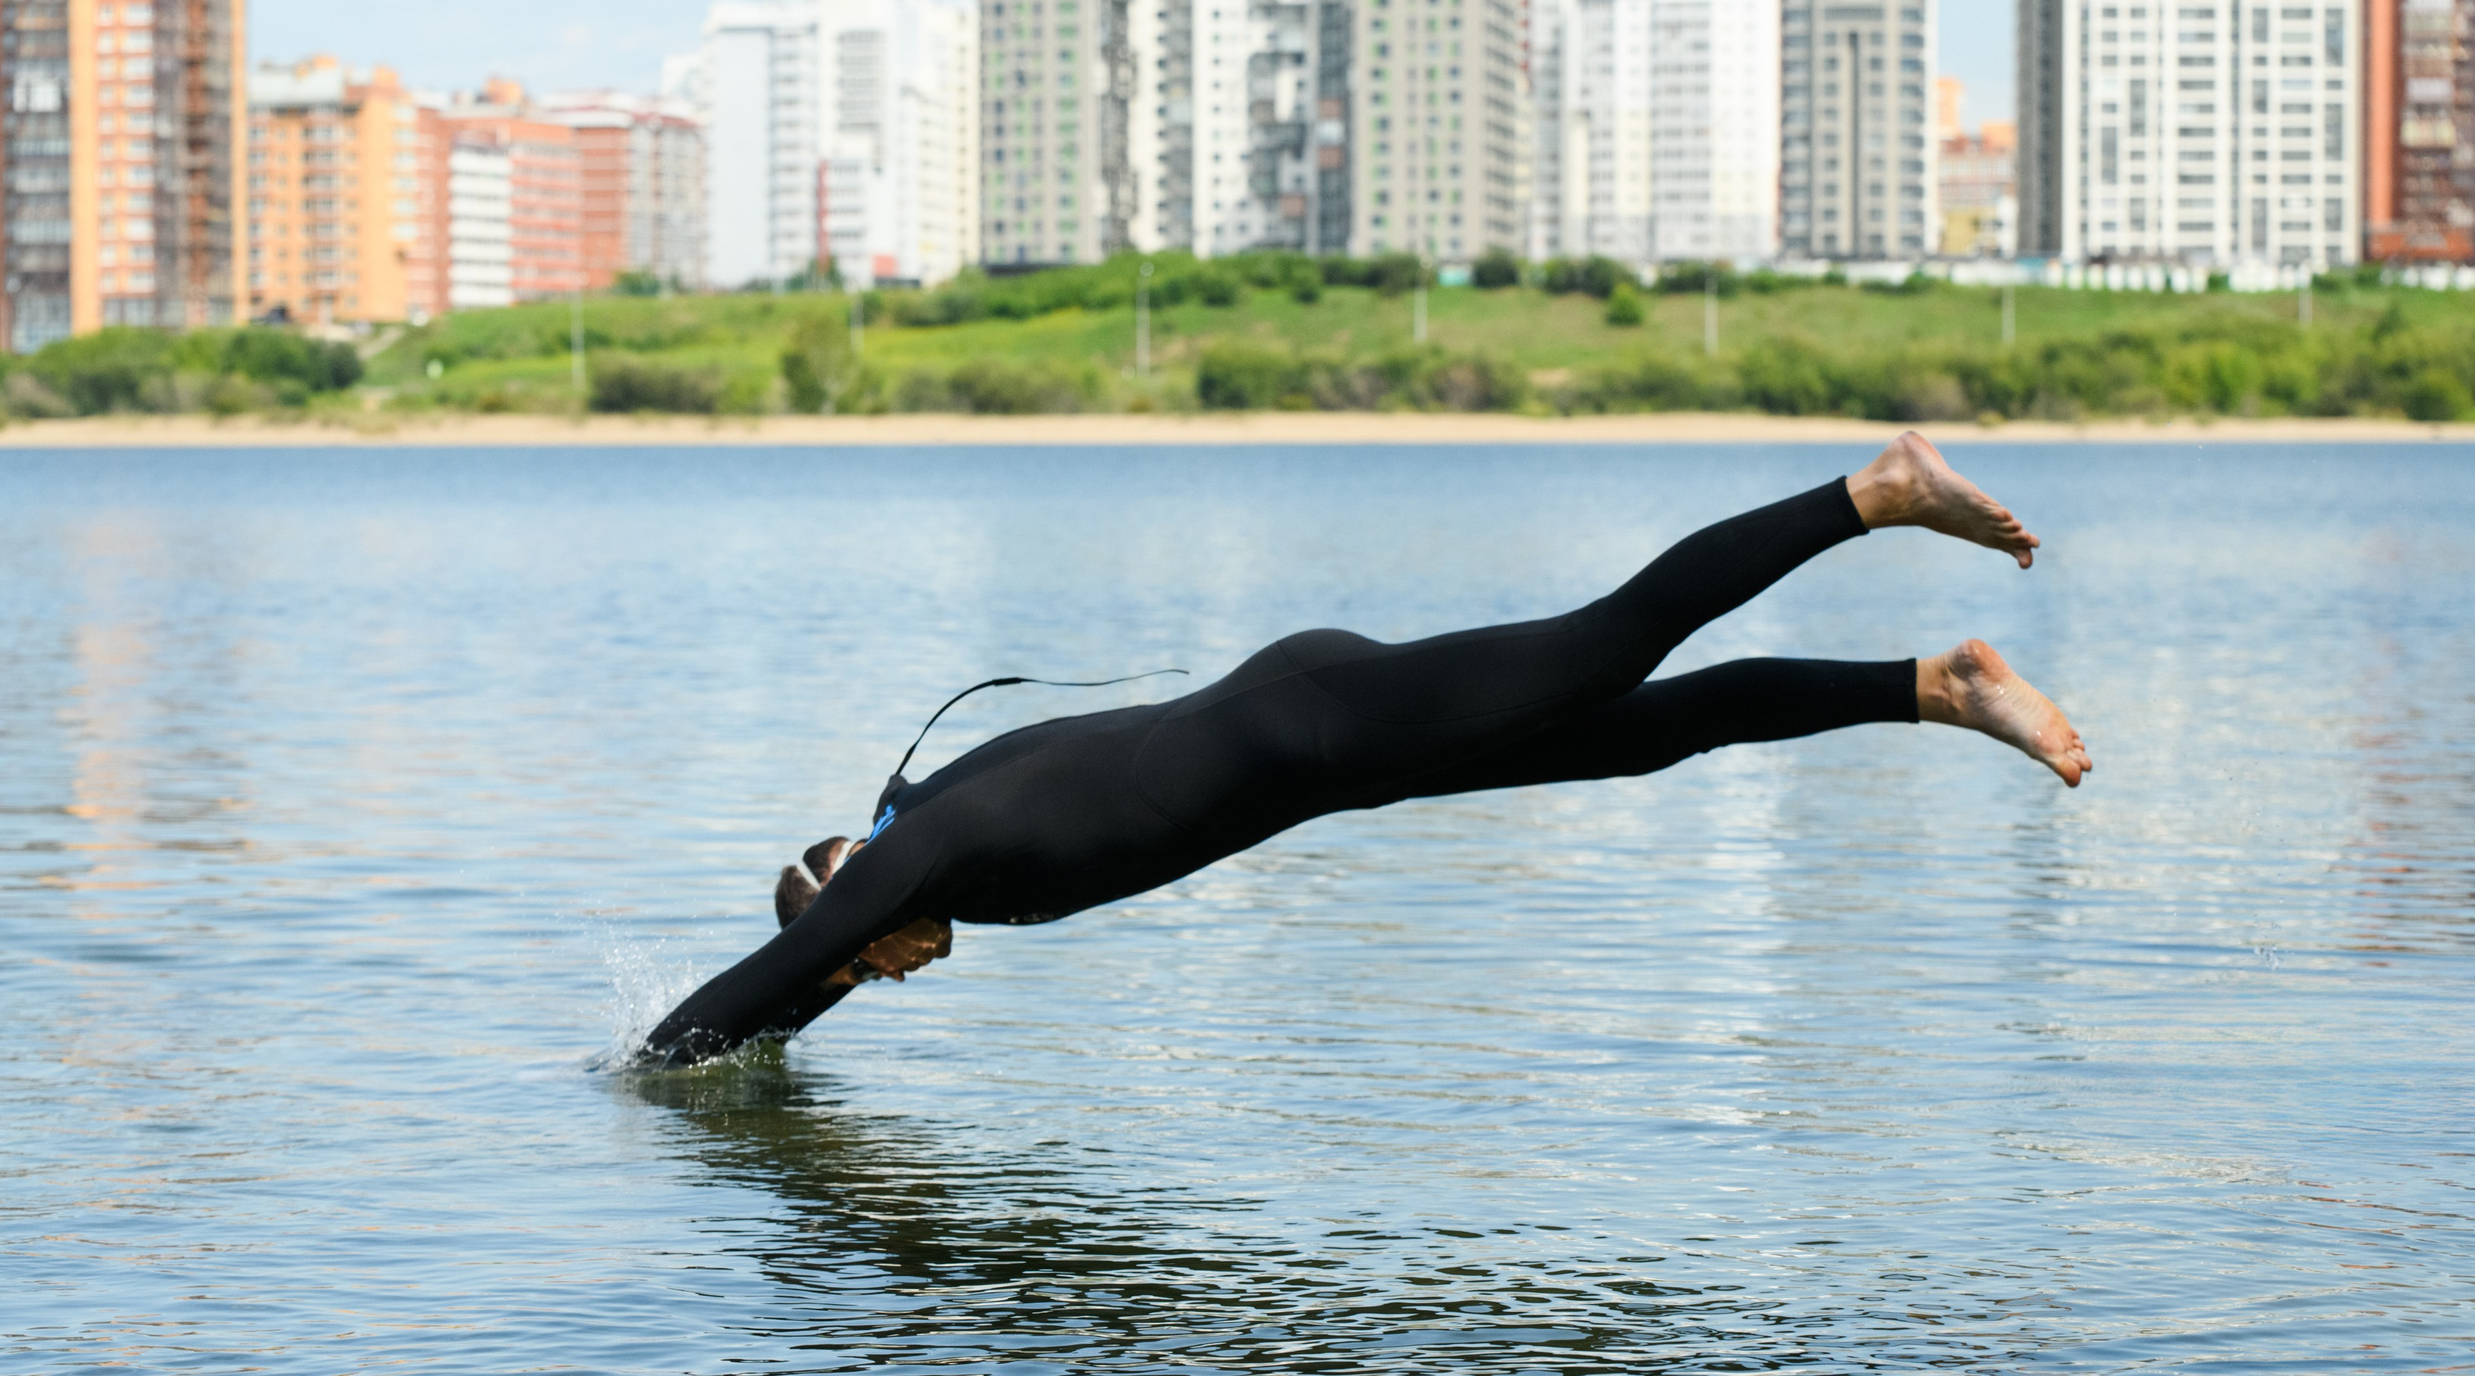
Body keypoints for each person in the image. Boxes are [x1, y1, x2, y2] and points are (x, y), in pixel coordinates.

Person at [636, 434, 2090, 1067]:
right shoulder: (933, 831)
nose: (900, 975)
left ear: (862, 915)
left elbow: (762, 982)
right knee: (1650, 736)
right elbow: (798, 986)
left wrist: (638, 1073)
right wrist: (785, 1015)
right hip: (1323, 744)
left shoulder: (932, 853)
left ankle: (1875, 492)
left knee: (1609, 646)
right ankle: (1933, 686)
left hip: (1314, 728)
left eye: (872, 962)